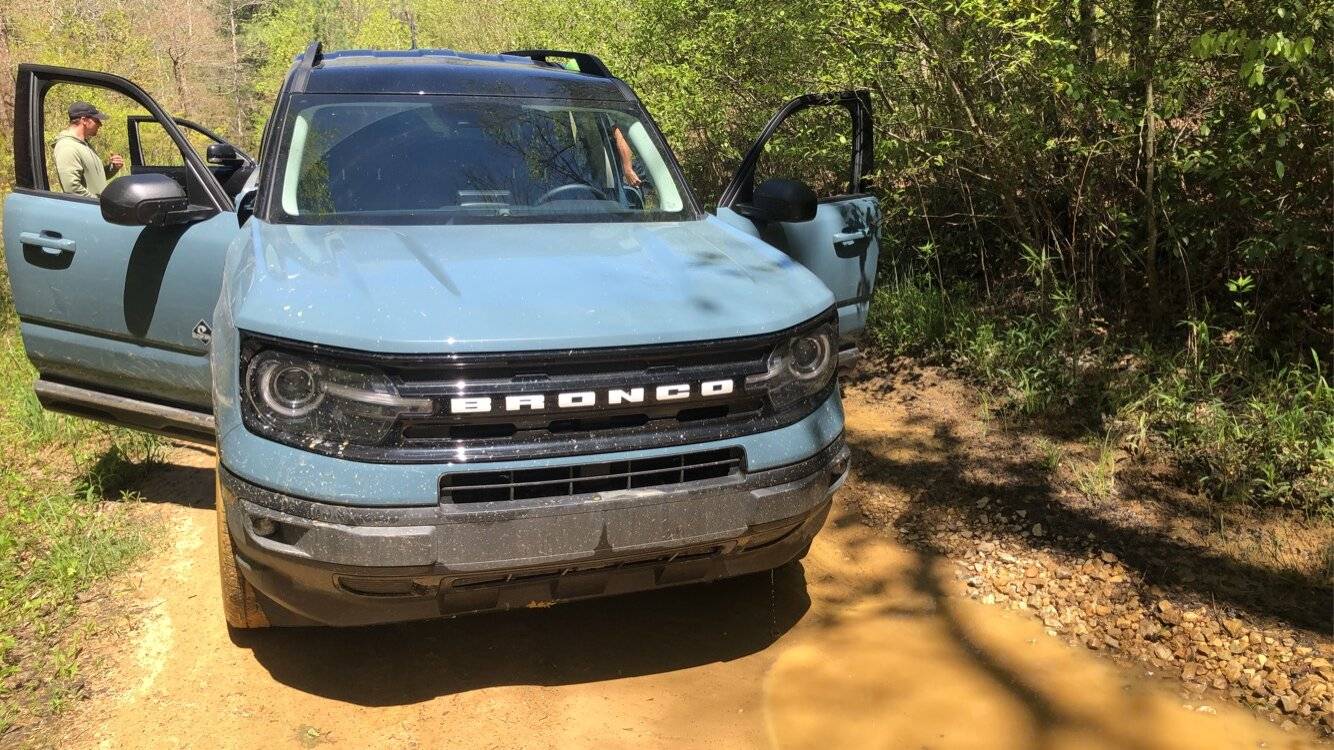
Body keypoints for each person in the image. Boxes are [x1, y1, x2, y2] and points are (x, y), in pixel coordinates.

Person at [53, 101, 124, 198]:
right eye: (97, 120)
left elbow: (95, 178)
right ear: (84, 120)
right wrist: (97, 202)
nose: (100, 124)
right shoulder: (67, 146)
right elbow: (72, 189)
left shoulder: (83, 144)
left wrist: (113, 168)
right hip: (87, 209)